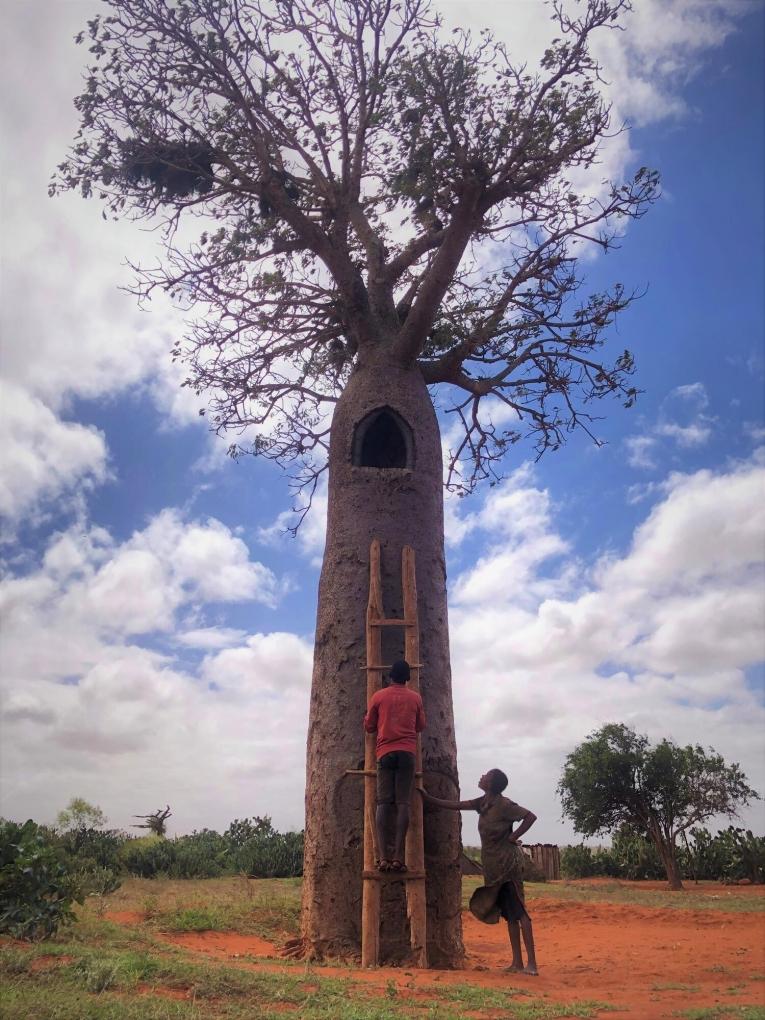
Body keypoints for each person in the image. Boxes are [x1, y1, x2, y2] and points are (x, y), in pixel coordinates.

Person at [421, 768, 539, 974]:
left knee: (520, 912)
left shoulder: (504, 805)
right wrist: (428, 798)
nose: (482, 776)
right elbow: (456, 805)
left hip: (507, 866)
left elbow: (530, 816)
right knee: (509, 915)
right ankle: (517, 963)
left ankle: (532, 964)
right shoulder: (483, 803)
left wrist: (513, 837)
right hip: (493, 866)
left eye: (486, 775)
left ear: (492, 783)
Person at [363, 659, 426, 872]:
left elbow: (369, 726)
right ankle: (399, 857)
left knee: (383, 803)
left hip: (385, 753)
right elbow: (421, 726)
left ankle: (382, 858)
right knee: (403, 804)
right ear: (407, 678)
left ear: (390, 676)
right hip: (407, 753)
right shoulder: (415, 698)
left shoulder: (379, 696)